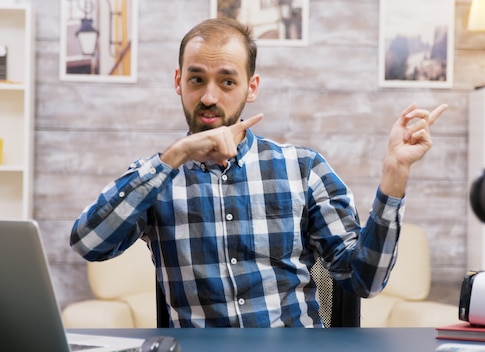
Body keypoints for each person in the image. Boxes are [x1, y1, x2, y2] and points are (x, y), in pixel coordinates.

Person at [70, 17, 447, 328]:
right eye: (197, 79)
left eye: (227, 81)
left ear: (251, 88)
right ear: (178, 82)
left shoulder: (303, 168)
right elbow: (89, 243)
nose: (209, 98)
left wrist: (395, 171)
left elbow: (365, 279)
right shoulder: (157, 177)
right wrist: (175, 156)